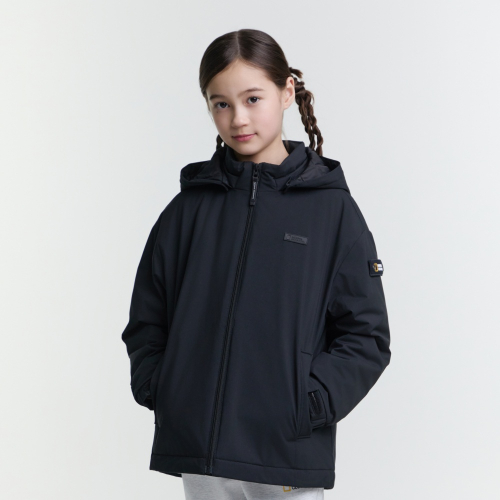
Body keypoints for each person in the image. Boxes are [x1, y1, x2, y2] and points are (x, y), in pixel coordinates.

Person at [121, 29, 391, 499]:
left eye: (252, 98)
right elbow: (148, 318)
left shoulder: (332, 212)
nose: (238, 118)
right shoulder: (187, 210)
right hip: (202, 453)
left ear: (286, 92)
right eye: (221, 104)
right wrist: (165, 389)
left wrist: (307, 405)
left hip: (285, 453)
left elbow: (366, 335)